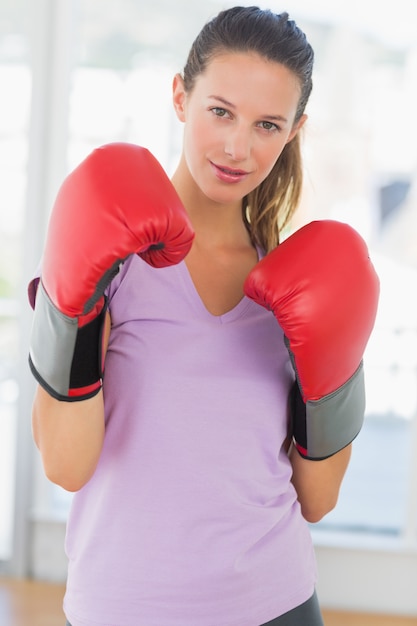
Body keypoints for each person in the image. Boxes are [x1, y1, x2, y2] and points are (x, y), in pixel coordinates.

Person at [28, 6, 379, 626]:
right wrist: (77, 309)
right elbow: (64, 466)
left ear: (295, 131)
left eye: (267, 124)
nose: (237, 147)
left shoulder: (299, 282)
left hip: (279, 603)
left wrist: (334, 370)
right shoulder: (113, 258)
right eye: (221, 111)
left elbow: (317, 500)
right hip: (128, 608)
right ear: (179, 96)